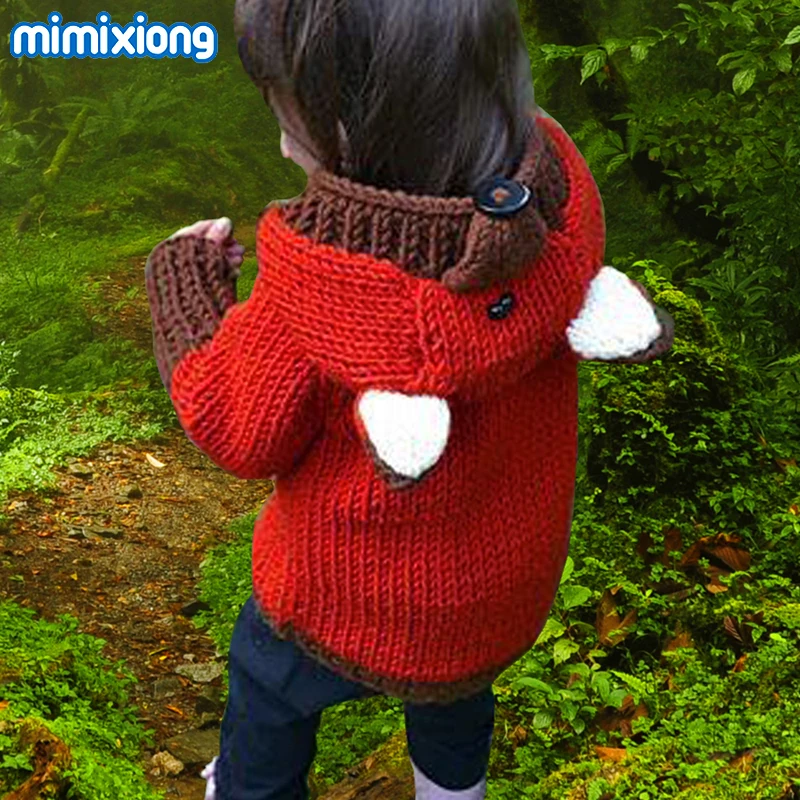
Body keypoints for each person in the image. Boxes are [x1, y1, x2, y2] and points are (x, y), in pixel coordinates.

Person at [144, 1, 675, 798]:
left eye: (286, 109)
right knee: (455, 700)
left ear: (354, 125)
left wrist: (184, 285)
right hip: (495, 592)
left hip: (336, 597)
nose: (278, 132)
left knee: (267, 688)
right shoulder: (558, 207)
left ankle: (250, 787)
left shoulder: (320, 291)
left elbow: (234, 427)